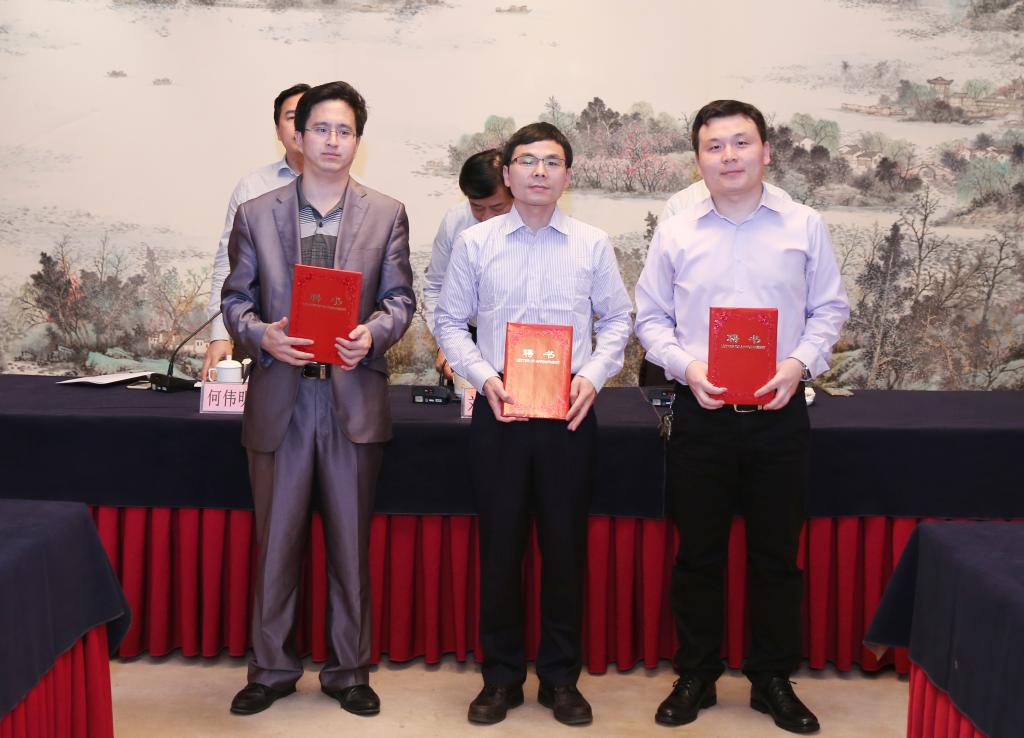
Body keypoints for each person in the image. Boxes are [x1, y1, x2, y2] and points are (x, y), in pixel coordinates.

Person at [634, 99, 849, 734]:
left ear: (766, 151)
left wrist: (798, 364)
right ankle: (696, 674)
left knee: (776, 556)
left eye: (741, 143)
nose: (729, 156)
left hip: (779, 414)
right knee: (698, 554)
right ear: (698, 159)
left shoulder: (804, 224)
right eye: (714, 146)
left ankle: (772, 677)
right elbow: (651, 319)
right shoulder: (678, 230)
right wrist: (686, 367)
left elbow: (829, 309)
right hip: (701, 413)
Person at [222, 80, 415, 718]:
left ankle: (349, 670)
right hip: (282, 399)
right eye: (322, 129)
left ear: (358, 140)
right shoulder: (257, 213)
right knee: (275, 545)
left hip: (350, 400)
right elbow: (236, 299)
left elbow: (400, 299)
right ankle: (271, 668)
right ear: (298, 136)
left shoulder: (387, 213)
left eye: (345, 131)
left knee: (350, 548)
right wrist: (261, 336)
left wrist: (373, 334)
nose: (333, 141)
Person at [434, 122, 633, 727]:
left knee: (564, 550)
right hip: (500, 409)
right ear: (508, 173)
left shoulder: (592, 244)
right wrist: (482, 376)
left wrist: (592, 376)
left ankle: (560, 679)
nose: (539, 171)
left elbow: (618, 320)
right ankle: (500, 679)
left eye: (551, 161)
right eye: (527, 161)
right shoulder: (476, 243)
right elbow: (449, 321)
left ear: (567, 174)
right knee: (500, 550)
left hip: (568, 414)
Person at [201, 83, 310, 381]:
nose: (300, 125)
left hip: (327, 340)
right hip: (258, 336)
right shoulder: (253, 187)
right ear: (277, 130)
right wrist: (220, 334)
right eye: (292, 117)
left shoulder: (352, 193)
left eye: (309, 117)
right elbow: (228, 264)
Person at [423, 149, 513, 381]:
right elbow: (435, 287)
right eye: (477, 207)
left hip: (519, 337)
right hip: (466, 334)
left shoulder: (533, 224)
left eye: (497, 207)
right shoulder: (455, 221)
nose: (487, 217)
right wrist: (446, 343)